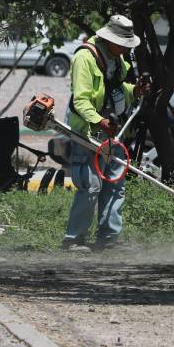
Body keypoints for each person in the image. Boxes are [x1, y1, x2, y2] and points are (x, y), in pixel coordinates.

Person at [61, 15, 148, 251]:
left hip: (112, 132)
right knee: (91, 186)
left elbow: (117, 90)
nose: (125, 49)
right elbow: (80, 100)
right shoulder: (85, 58)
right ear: (109, 38)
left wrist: (136, 90)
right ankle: (73, 239)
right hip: (88, 132)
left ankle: (109, 239)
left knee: (114, 185)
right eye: (122, 43)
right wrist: (99, 121)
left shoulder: (117, 60)